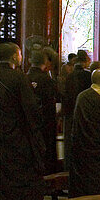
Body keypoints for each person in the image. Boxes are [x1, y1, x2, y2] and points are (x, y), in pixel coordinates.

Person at [0, 43, 47, 200]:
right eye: (20, 54)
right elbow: (31, 110)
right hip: (17, 137)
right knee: (21, 174)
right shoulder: (19, 78)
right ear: (15, 57)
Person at [25, 45, 60, 175]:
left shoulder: (24, 78)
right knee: (47, 152)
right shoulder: (47, 80)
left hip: (29, 124)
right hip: (47, 123)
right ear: (45, 63)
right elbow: (54, 100)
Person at [62, 52, 92, 161]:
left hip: (70, 113)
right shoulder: (88, 76)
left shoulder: (69, 76)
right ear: (85, 61)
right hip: (84, 114)